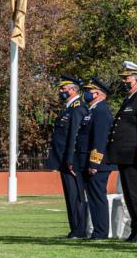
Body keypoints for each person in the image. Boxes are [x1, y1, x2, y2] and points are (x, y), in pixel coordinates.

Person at [107, 61, 137, 243]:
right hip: (126, 156)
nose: (123, 82)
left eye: (126, 78)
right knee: (130, 196)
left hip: (136, 156)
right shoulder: (131, 99)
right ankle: (136, 230)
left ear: (136, 79)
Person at [45, 76, 88, 237]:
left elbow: (74, 136)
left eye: (63, 89)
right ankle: (74, 229)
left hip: (72, 161)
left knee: (76, 196)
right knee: (70, 196)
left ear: (73, 90)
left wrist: (70, 159)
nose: (60, 92)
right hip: (64, 160)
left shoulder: (78, 109)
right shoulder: (69, 109)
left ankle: (79, 229)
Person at [75, 77, 114, 240]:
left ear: (97, 93)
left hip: (97, 164)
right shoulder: (92, 110)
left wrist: (94, 162)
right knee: (92, 198)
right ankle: (97, 230)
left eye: (89, 92)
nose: (86, 94)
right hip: (87, 162)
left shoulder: (101, 111)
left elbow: (99, 139)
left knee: (98, 198)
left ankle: (101, 232)